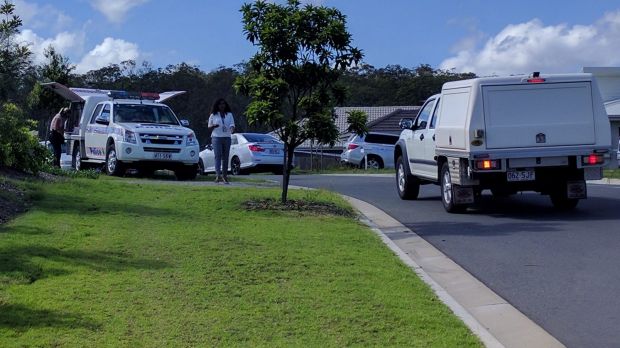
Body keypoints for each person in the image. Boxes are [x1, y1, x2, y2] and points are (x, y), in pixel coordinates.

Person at [208, 98, 235, 184]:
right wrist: (214, 126)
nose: (222, 105)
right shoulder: (213, 115)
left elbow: (232, 124)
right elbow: (209, 126)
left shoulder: (229, 114)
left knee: (225, 157)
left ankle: (225, 176)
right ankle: (218, 175)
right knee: (217, 156)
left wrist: (232, 128)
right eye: (220, 104)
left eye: (223, 104)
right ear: (217, 105)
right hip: (216, 137)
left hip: (227, 137)